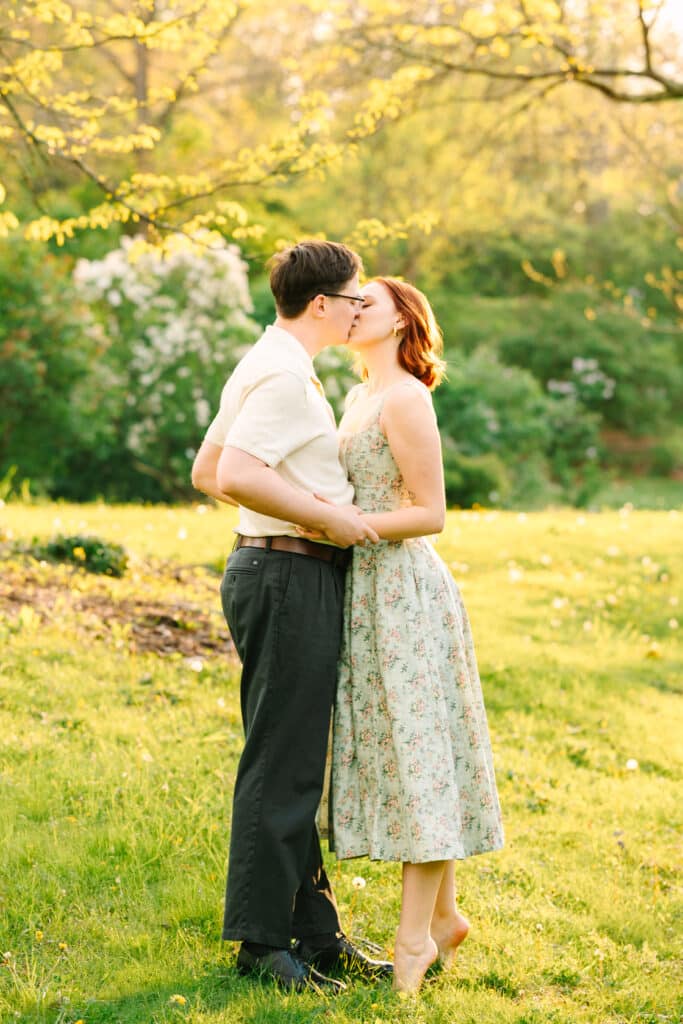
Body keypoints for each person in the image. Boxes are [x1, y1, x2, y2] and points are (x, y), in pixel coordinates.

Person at [191, 240, 393, 993]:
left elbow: (208, 471)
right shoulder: (281, 376)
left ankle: (315, 934)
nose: (357, 310)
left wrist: (298, 515)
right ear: (322, 305)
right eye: (352, 299)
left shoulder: (267, 360)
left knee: (291, 757)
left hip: (273, 568)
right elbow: (234, 474)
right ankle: (260, 944)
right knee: (282, 763)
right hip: (285, 573)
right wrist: (322, 518)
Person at [321, 277, 504, 993]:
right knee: (406, 752)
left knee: (418, 752)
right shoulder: (358, 396)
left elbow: (429, 512)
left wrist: (342, 526)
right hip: (362, 591)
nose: (353, 306)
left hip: (402, 592)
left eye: (367, 298)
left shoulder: (404, 396)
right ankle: (446, 916)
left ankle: (411, 945)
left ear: (403, 318)